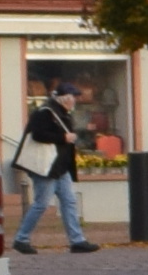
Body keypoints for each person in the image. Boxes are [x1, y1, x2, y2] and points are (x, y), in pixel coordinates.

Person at [11, 92, 95, 253]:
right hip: (46, 167)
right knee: (41, 204)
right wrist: (63, 138)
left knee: (69, 202)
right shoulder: (44, 113)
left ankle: (77, 240)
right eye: (73, 99)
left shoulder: (60, 114)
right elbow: (38, 135)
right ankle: (21, 239)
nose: (75, 102)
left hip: (59, 167)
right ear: (66, 100)